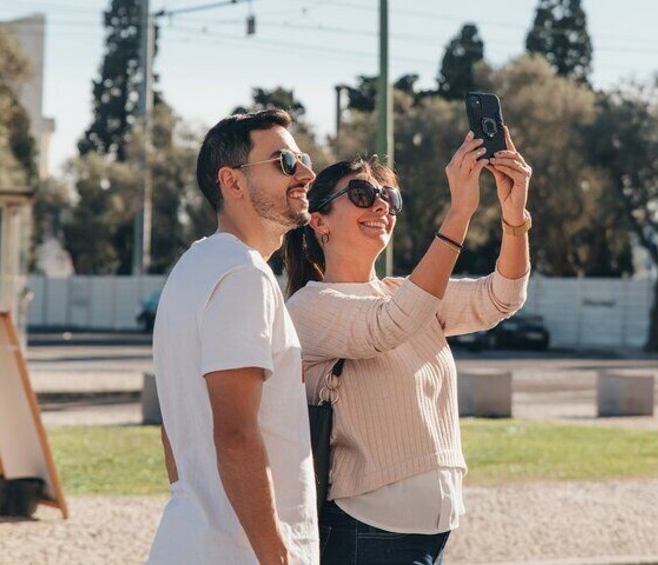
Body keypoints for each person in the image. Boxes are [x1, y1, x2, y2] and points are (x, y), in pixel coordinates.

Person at [283, 128, 532, 564]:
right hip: (367, 529)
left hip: (434, 529)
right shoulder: (309, 306)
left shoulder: (404, 293)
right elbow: (389, 326)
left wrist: (515, 218)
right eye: (361, 194)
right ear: (318, 221)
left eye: (389, 198)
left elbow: (502, 297)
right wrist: (460, 213)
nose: (381, 205)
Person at [148, 109, 319, 565]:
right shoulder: (243, 275)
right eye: (285, 161)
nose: (306, 173)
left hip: (196, 542)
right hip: (240, 553)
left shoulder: (191, 269)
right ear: (234, 182)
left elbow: (174, 425)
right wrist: (277, 558)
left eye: (302, 158)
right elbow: (236, 433)